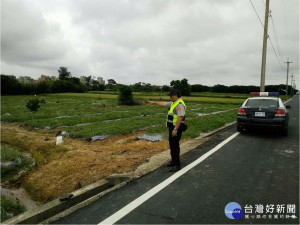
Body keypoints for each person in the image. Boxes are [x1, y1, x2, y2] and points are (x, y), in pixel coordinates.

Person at [147, 89, 186, 172]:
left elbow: (180, 117)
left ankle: (177, 164)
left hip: (176, 127)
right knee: (172, 145)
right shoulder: (173, 103)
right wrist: (153, 102)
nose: (170, 97)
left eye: (170, 96)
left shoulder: (179, 104)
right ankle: (173, 161)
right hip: (172, 127)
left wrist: (175, 129)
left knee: (175, 145)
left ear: (175, 95)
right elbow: (163, 103)